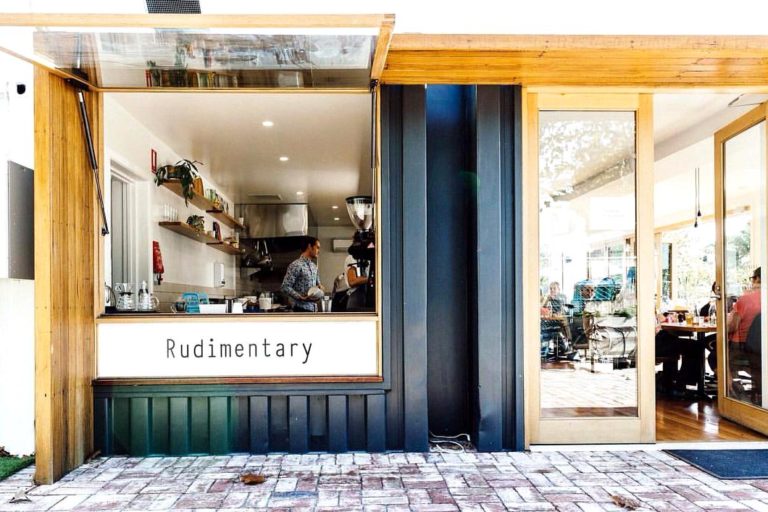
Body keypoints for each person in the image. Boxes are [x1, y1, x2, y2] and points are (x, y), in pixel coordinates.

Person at [281, 237, 324, 312]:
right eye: (317, 247)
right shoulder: (296, 265)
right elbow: (285, 287)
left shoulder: (314, 267)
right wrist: (300, 297)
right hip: (300, 309)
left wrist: (320, 288)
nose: (319, 251)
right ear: (309, 246)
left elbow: (318, 285)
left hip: (313, 310)